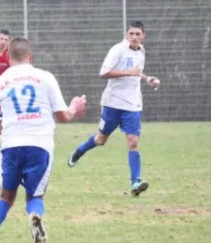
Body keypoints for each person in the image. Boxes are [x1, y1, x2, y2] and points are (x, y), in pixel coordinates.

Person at [0, 37, 86, 243]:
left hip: (11, 145)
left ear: (7, 56)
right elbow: (63, 116)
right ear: (30, 56)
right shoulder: (46, 77)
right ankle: (34, 216)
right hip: (39, 145)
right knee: (35, 196)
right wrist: (74, 107)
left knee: (5, 197)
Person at [67, 21, 160, 196]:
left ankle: (135, 183)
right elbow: (104, 73)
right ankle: (79, 151)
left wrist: (149, 80)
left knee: (133, 142)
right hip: (112, 103)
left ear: (143, 36)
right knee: (101, 140)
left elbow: (137, 73)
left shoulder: (141, 51)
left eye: (137, 34)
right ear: (126, 34)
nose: (134, 37)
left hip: (132, 105)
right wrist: (128, 72)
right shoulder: (117, 50)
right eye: (131, 33)